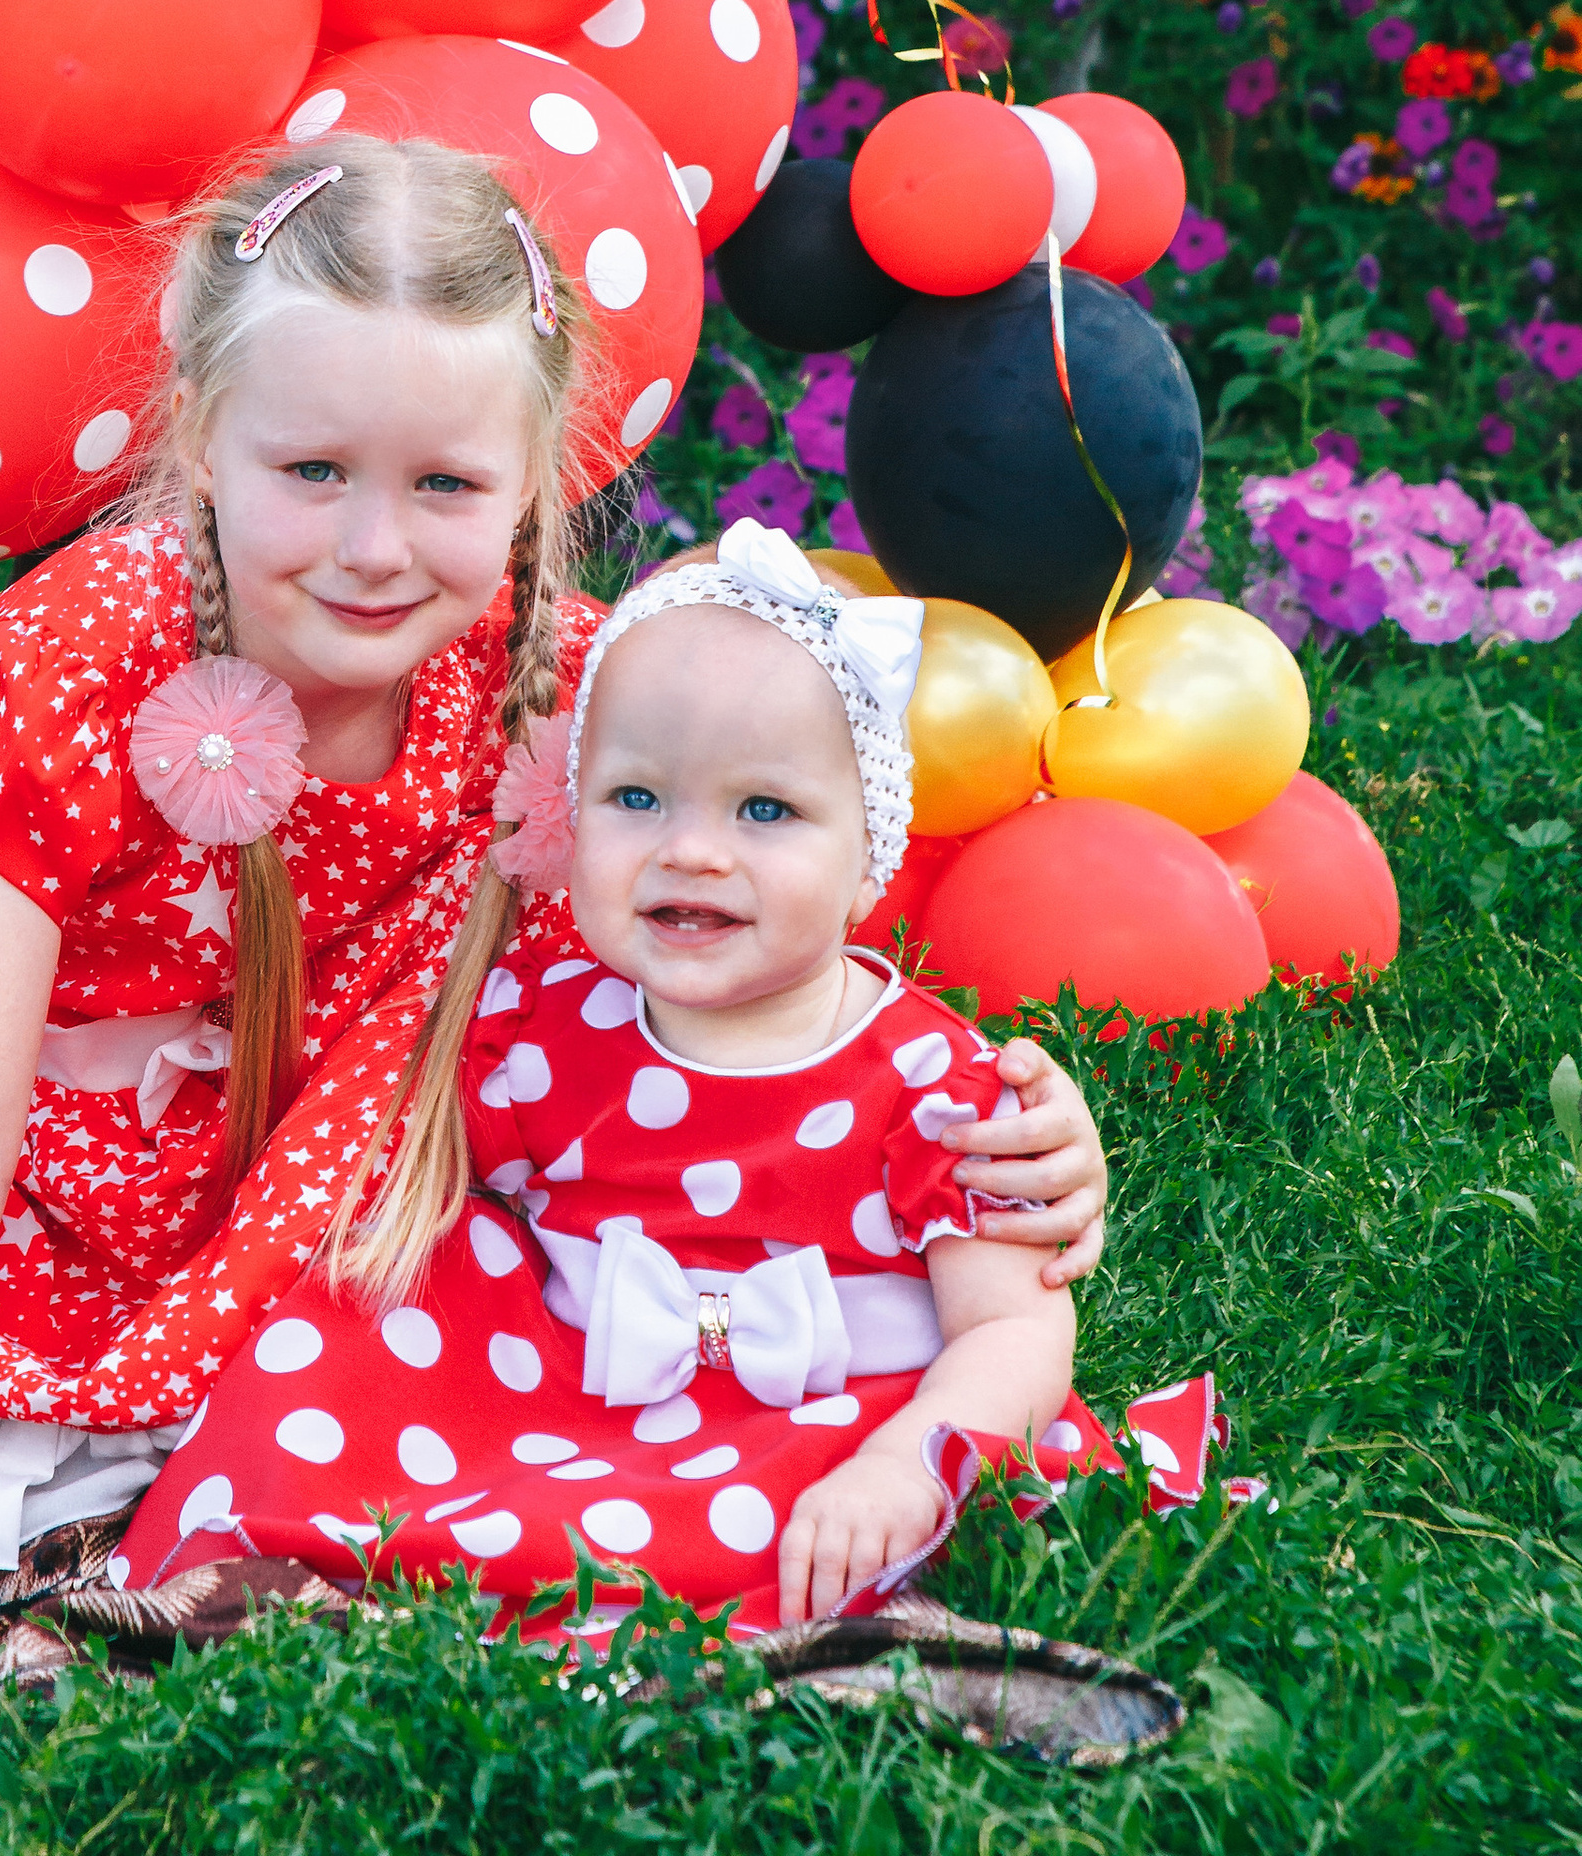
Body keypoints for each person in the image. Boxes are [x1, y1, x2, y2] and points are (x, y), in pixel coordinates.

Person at [0, 143, 1113, 1699]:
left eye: (444, 486)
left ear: (536, 477)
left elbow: (764, 953)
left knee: (362, 1330)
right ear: (207, 437)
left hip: (296, 1100)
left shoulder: (559, 682)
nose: (374, 549)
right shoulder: (76, 668)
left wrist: (1009, 1141)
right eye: (313, 473)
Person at [144, 531, 1165, 1635]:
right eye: (636, 799)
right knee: (358, 1303)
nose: (691, 852)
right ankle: (290, 1544)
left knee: (794, 1518)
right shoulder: (540, 1023)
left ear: (871, 851)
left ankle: (597, 1594)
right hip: (566, 1388)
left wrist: (904, 1467)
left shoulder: (936, 1086)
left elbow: (1013, 1335)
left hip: (829, 1422)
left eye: (763, 812)